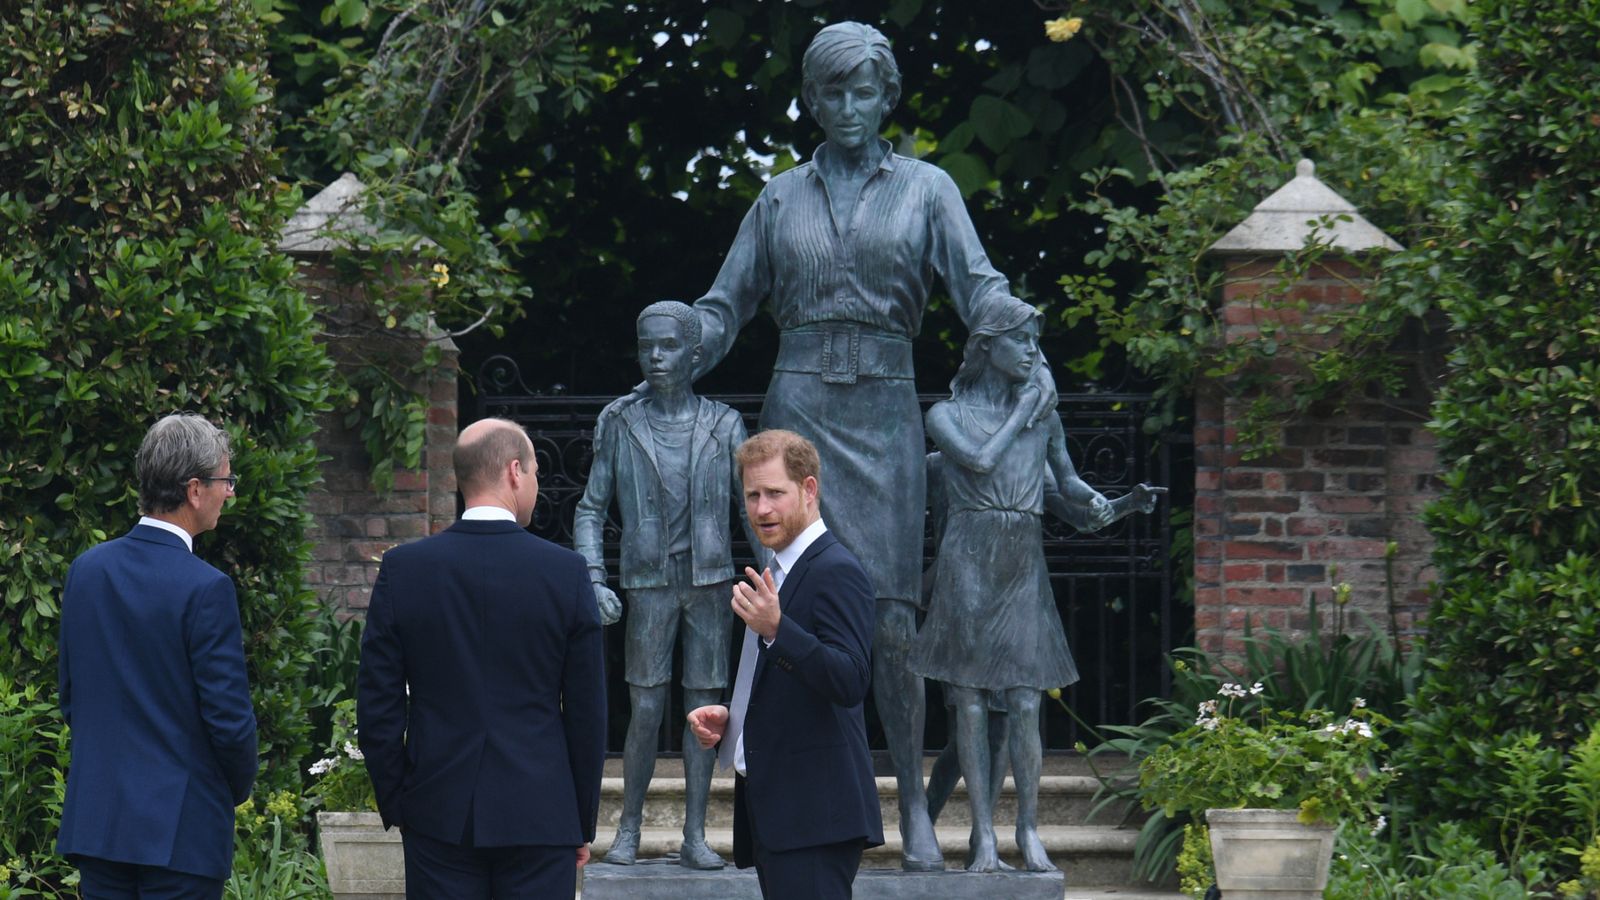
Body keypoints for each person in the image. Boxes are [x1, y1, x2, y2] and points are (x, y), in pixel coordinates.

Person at [608, 21, 1046, 869]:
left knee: (889, 618)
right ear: (811, 100)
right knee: (786, 609)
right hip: (798, 404)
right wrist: (678, 339)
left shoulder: (927, 190)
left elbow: (978, 285)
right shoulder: (779, 199)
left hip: (885, 409)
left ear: (888, 97)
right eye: (832, 92)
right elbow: (726, 304)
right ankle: (774, 798)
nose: (848, 107)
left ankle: (915, 807)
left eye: (864, 91)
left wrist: (1024, 343)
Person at [908, 300, 1162, 871]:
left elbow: (1071, 490)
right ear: (986, 348)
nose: (1031, 351)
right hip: (968, 560)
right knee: (969, 703)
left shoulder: (1043, 418)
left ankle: (1026, 830)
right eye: (1019, 340)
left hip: (1021, 561)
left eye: (1033, 341)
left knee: (1025, 701)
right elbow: (977, 460)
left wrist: (1119, 504)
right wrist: (1024, 408)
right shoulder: (946, 415)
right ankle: (982, 837)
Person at [357, 418, 606, 899]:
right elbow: (587, 712)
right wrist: (579, 819)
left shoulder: (404, 570)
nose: (535, 483)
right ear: (515, 471)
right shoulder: (566, 573)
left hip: (437, 811)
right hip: (541, 814)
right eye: (534, 471)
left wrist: (401, 803)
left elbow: (378, 705)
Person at [574, 300, 757, 869]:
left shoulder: (726, 424)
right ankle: (627, 828)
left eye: (669, 346)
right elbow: (589, 509)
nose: (655, 356)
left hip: (709, 584)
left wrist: (783, 573)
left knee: (705, 713)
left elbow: (752, 513)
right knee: (646, 710)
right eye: (646, 345)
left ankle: (695, 833)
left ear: (696, 355)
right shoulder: (620, 420)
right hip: (648, 585)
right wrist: (593, 577)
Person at [57, 413, 257, 899]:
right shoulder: (207, 588)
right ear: (194, 489)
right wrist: (231, 790)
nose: (229, 491)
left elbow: (71, 698)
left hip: (99, 823)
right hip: (181, 831)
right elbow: (229, 722)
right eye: (225, 480)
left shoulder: (87, 571)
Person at [686, 430, 883, 899]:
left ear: (809, 489)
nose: (762, 509)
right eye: (752, 495)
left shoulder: (836, 569)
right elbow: (788, 683)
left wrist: (778, 630)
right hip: (781, 816)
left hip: (816, 816)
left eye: (775, 493)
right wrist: (732, 720)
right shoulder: (780, 570)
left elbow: (852, 679)